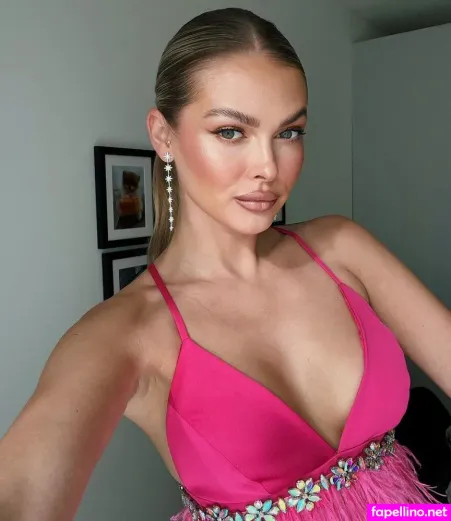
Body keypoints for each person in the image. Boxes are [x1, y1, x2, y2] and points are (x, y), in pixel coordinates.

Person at [1, 7, 450, 521]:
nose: (268, 167)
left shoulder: (342, 248)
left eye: (289, 132)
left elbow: (388, 505)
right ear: (164, 136)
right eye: (231, 132)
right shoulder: (126, 333)